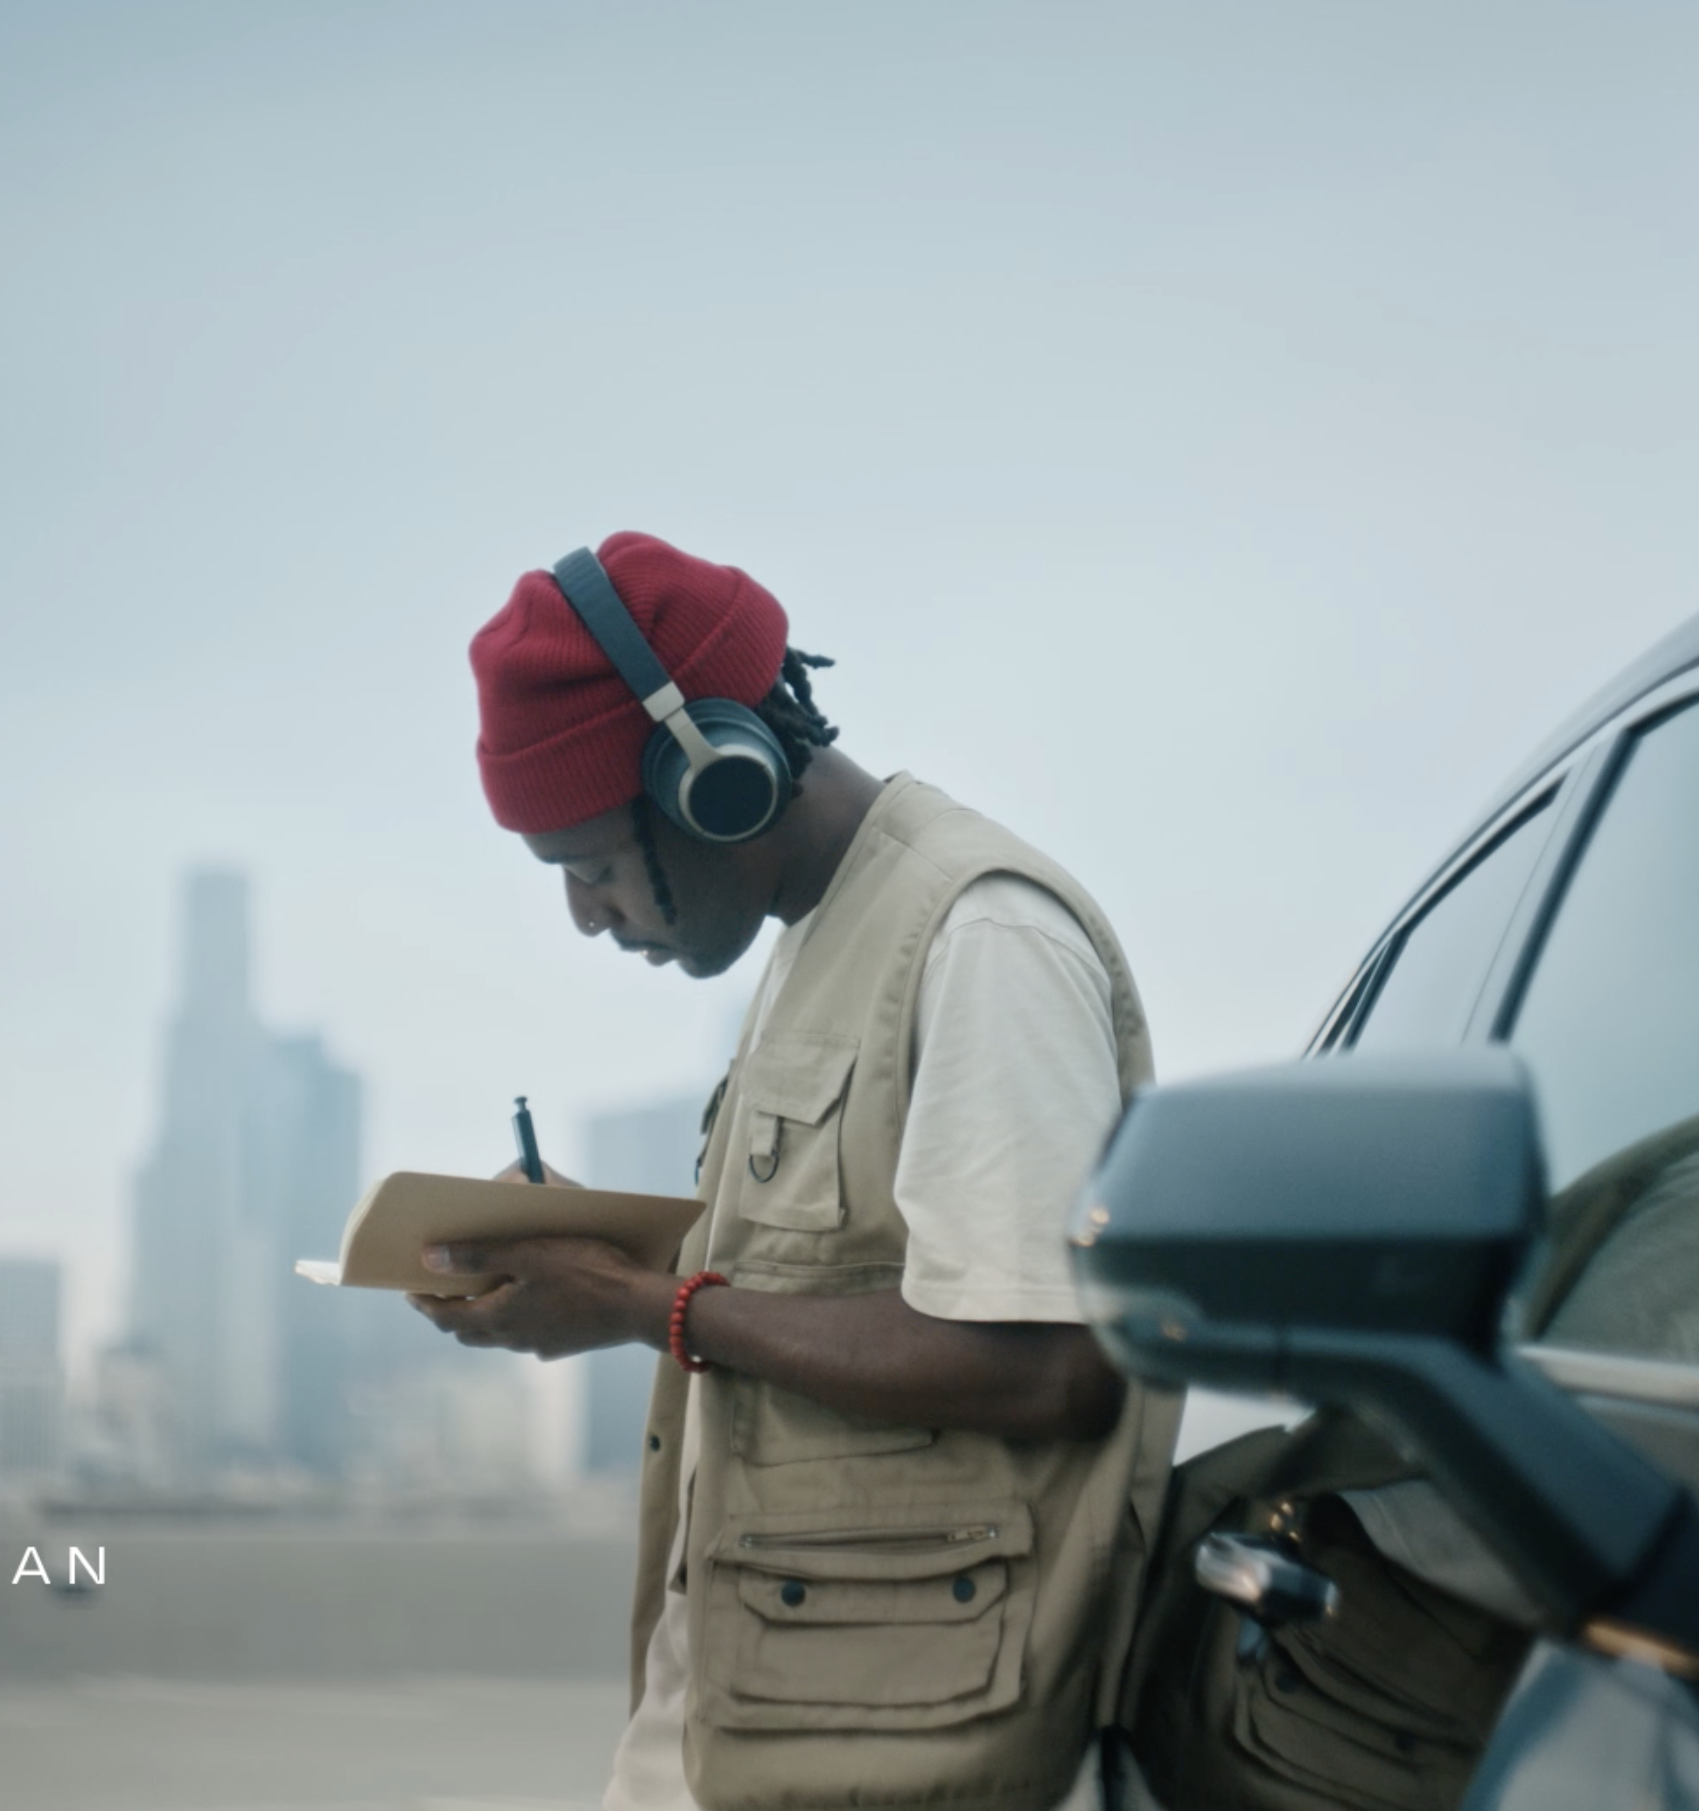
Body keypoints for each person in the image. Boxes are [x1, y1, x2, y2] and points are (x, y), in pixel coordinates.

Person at [417, 531, 1180, 1811]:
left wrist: (633, 1307)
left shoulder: (977, 935)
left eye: (593, 867)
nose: (587, 918)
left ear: (717, 781)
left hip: (905, 1748)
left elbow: (1044, 1360)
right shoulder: (823, 936)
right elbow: (824, 1281)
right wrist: (587, 1262)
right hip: (761, 1723)